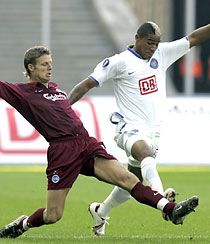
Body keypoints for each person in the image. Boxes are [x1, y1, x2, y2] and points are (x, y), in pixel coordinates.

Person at [0, 46, 199, 238]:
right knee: (53, 215)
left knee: (129, 180)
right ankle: (23, 224)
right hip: (63, 151)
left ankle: (171, 209)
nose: (50, 67)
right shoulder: (22, 93)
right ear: (31, 67)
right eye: (44, 64)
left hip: (86, 143)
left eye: (50, 63)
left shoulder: (56, 90)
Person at [68, 21, 210, 236]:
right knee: (146, 153)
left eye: (156, 43)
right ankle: (165, 203)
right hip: (129, 128)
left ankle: (101, 210)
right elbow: (86, 84)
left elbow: (193, 39)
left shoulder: (161, 54)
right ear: (137, 38)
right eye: (149, 42)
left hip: (153, 131)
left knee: (131, 182)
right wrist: (62, 108)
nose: (152, 48)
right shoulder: (119, 62)